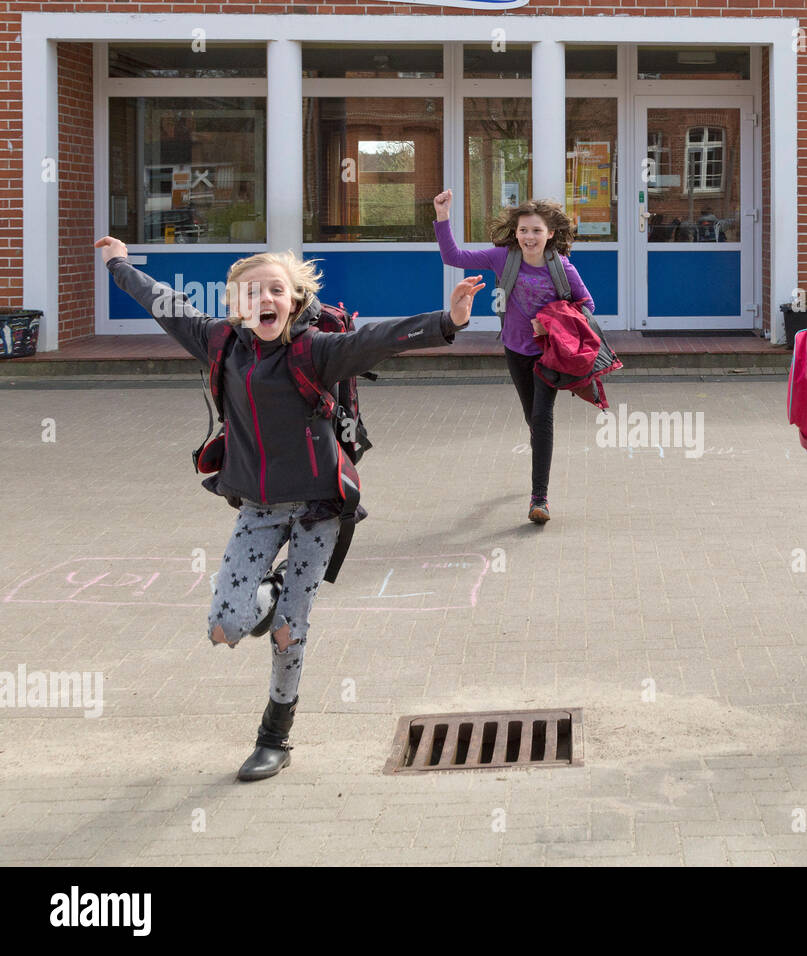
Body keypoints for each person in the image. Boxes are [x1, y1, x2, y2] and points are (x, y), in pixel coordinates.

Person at [94, 234, 483, 780]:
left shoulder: (316, 351)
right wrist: (117, 262)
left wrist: (449, 319)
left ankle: (274, 736)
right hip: (257, 507)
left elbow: (381, 338)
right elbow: (164, 302)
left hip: (319, 508)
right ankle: (272, 593)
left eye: (275, 290)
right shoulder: (219, 343)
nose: (264, 300)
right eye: (251, 293)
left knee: (287, 632)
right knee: (225, 627)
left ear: (294, 300)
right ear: (235, 305)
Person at [433, 190, 595, 524]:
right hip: (515, 348)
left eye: (536, 230)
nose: (529, 236)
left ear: (550, 233)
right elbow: (453, 255)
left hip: (549, 356)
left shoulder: (561, 266)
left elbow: (587, 305)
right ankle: (539, 450)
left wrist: (550, 322)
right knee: (532, 418)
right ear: (515, 232)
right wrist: (442, 215)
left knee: (542, 418)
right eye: (523, 230)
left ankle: (540, 498)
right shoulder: (502, 257)